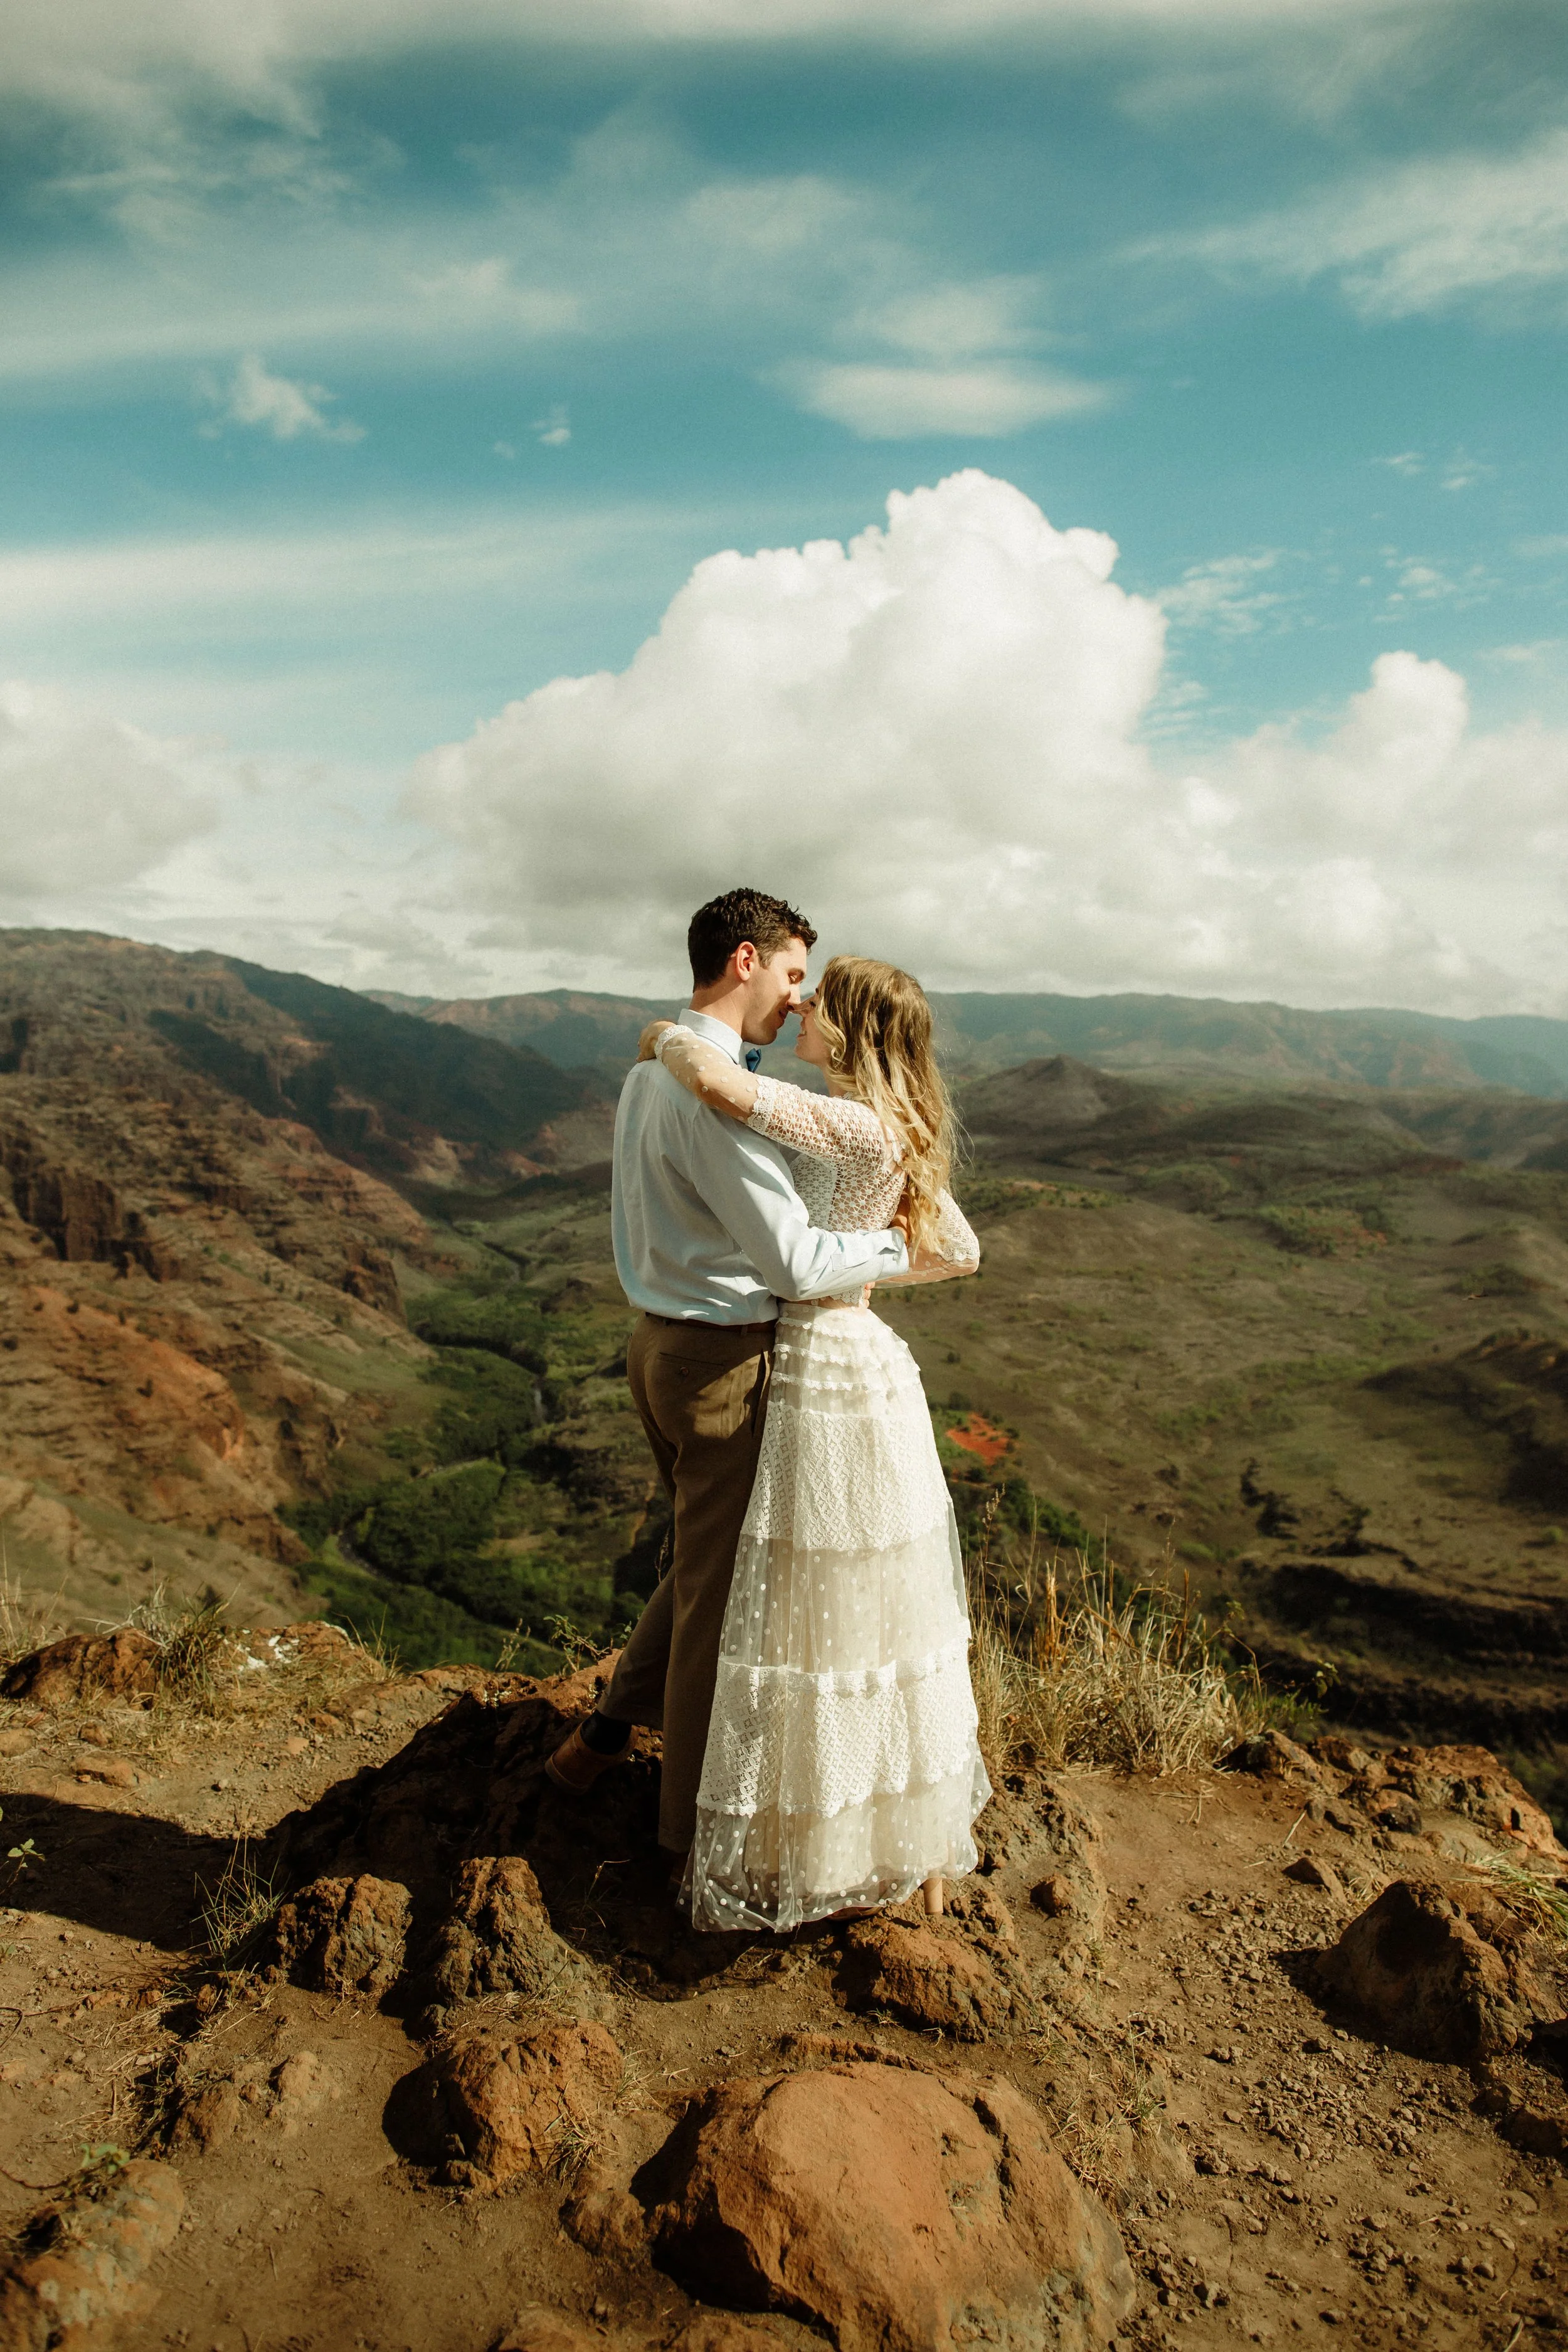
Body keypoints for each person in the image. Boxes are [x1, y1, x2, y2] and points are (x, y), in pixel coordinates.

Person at [545, 889, 912, 1888]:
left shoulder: (647, 1075)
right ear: (746, 959)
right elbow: (794, 1261)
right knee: (717, 1603)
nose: (800, 1001)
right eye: (794, 975)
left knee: (699, 1568)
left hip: (654, 1347)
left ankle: (605, 1735)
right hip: (722, 1368)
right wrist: (890, 1243)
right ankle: (685, 1843)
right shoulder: (711, 1102)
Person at [640, 953, 988, 1934]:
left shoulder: (841, 1120)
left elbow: (713, 1080)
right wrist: (870, 1274)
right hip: (867, 1357)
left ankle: (797, 1840)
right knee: (880, 1613)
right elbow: (957, 1249)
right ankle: (913, 1854)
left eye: (817, 999)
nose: (798, 1005)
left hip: (819, 1371)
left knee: (799, 1601)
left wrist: (661, 1035)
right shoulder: (899, 1128)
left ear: (854, 1029)